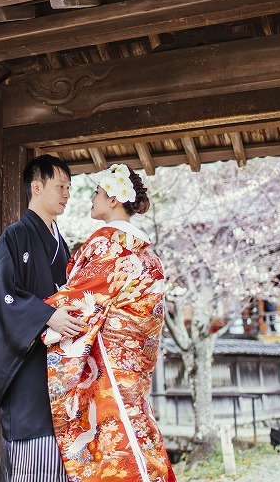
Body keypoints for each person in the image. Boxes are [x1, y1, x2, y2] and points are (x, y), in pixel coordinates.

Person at [43, 163, 176, 482]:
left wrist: (32, 314)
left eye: (97, 193)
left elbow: (78, 301)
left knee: (116, 449)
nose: (91, 199)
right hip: (133, 369)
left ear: (114, 199)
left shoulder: (109, 244)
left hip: (109, 368)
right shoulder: (148, 256)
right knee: (139, 438)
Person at [0, 154, 85, 482]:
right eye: (60, 186)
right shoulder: (15, 237)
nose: (67, 193)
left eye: (69, 187)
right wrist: (46, 316)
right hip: (29, 368)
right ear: (36, 187)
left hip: (62, 369)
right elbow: (4, 295)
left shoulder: (62, 246)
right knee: (35, 463)